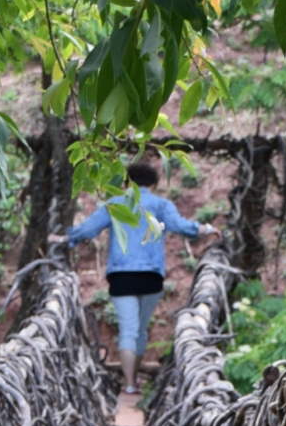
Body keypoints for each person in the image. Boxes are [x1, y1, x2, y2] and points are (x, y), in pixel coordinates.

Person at [54, 160, 216, 394]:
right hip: (151, 274)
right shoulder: (161, 204)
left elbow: (89, 229)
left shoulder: (115, 203)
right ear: (154, 183)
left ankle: (129, 384)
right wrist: (207, 229)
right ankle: (134, 380)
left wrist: (63, 239)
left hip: (122, 275)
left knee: (128, 329)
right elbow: (180, 226)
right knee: (140, 329)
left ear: (126, 182)